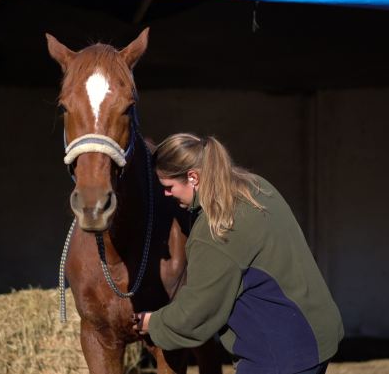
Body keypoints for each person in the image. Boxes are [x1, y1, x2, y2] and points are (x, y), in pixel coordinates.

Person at [131, 133, 344, 374]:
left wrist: (150, 323)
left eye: (169, 187)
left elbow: (197, 311)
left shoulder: (216, 228)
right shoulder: (256, 186)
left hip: (278, 355)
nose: (166, 195)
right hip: (315, 334)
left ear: (193, 177)